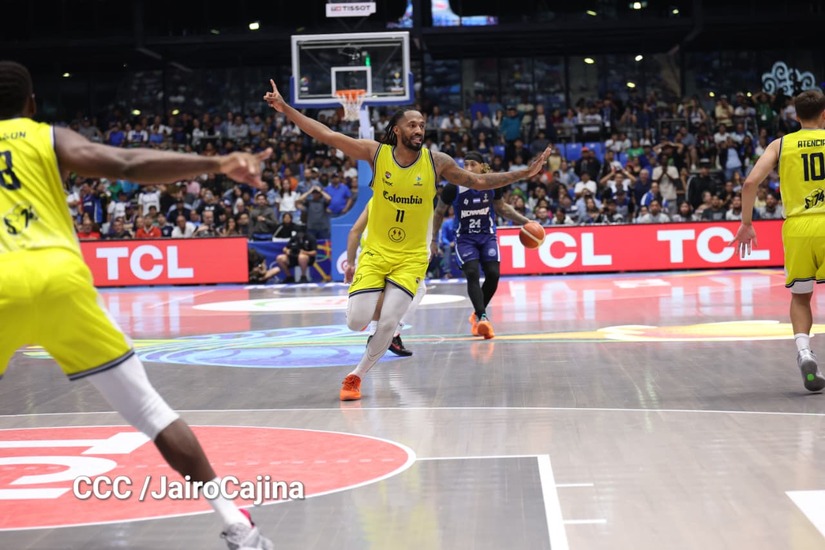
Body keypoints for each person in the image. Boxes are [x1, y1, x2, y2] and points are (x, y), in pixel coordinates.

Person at [0, 61, 274, 549]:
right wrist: (216, 163)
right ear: (32, 104)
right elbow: (126, 164)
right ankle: (237, 524)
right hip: (59, 277)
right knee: (149, 409)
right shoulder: (44, 137)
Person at [264, 80, 551, 401]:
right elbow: (327, 135)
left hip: (411, 257)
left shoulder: (437, 162)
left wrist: (523, 173)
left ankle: (356, 376)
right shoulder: (376, 153)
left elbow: (478, 180)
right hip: (376, 252)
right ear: (397, 130)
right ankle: (376, 303)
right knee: (356, 321)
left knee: (389, 322)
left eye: (422, 125)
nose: (419, 129)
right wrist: (286, 109)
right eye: (412, 124)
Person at [730, 88, 825, 393]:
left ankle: (805, 352)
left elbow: (749, 183)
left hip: (797, 228)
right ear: (824, 114)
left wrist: (746, 223)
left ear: (795, 116)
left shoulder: (781, 144)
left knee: (801, 296)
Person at [431, 151, 532, 339]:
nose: (468, 168)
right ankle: (483, 318)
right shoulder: (453, 187)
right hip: (465, 238)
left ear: (482, 167)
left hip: (487, 236)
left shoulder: (492, 184)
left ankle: (478, 313)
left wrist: (525, 221)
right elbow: (438, 212)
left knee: (493, 274)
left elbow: (502, 208)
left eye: (473, 164)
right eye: (466, 164)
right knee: (472, 273)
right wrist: (434, 240)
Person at [347, 200, 424, 356]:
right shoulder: (403, 200)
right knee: (418, 289)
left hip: (371, 253)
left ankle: (376, 333)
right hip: (385, 254)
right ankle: (391, 333)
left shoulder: (376, 200)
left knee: (381, 295)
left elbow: (354, 231)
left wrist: (350, 263)